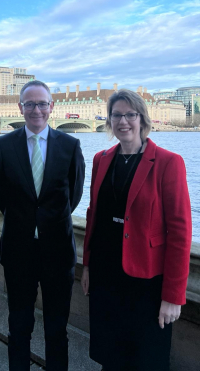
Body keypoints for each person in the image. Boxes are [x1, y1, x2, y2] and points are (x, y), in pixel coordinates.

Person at [81, 89, 192, 371]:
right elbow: (94, 216)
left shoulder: (169, 162)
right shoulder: (101, 160)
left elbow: (180, 232)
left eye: (130, 114)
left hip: (146, 282)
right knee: (110, 356)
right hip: (106, 275)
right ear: (109, 120)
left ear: (142, 118)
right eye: (116, 115)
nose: (123, 121)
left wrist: (172, 296)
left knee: (146, 360)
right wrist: (88, 267)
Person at [0, 80, 85, 371]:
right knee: (19, 326)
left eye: (42, 103)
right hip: (19, 251)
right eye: (29, 104)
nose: (36, 110)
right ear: (20, 107)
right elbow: (0, 193)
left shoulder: (70, 145)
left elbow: (75, 193)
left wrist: (47, 221)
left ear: (51, 107)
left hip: (57, 252)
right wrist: (26, 221)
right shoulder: (4, 145)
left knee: (57, 330)